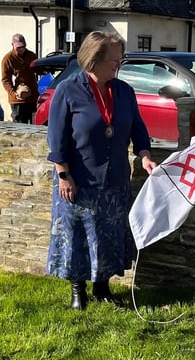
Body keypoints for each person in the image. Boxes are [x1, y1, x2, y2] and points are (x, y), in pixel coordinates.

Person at [45, 31, 157, 310]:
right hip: (78, 179)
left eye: (121, 60)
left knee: (108, 234)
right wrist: (63, 174)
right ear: (94, 60)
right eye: (114, 60)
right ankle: (77, 290)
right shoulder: (68, 90)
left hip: (114, 179)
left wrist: (144, 156)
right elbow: (56, 138)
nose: (118, 65)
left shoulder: (124, 91)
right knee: (78, 235)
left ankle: (103, 287)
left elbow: (138, 129)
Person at [1, 33, 39, 123]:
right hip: (17, 100)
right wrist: (14, 93)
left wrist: (46, 68)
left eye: (23, 47)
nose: (21, 49)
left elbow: (38, 70)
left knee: (34, 123)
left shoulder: (31, 56)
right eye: (18, 47)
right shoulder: (8, 59)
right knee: (19, 123)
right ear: (12, 45)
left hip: (32, 96)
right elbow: (6, 80)